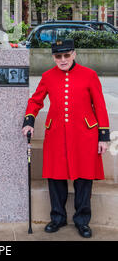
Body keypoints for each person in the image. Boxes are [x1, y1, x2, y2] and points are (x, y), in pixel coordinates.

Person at [22, 39, 110, 239]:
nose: (62, 60)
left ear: (74, 54)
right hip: (56, 134)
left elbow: (100, 106)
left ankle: (82, 221)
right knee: (56, 177)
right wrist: (28, 121)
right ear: (53, 57)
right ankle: (58, 218)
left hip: (85, 135)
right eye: (58, 56)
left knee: (84, 179)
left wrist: (102, 136)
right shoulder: (47, 76)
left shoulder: (90, 75)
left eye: (66, 55)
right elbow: (36, 100)